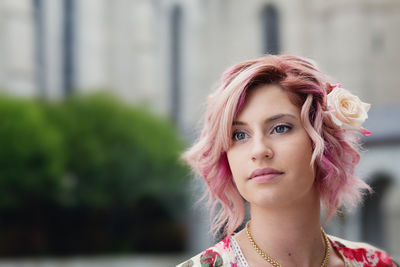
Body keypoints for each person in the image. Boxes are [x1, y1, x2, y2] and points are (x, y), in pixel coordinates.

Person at [177, 55, 399, 267]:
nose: (259, 150)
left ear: (322, 140)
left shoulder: (377, 263)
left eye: (280, 128)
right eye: (239, 135)